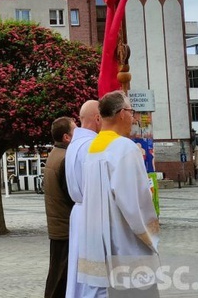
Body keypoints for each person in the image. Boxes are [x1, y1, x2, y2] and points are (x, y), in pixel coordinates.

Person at [78, 91, 160, 297]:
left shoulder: (92, 149)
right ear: (121, 113)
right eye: (131, 112)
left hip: (101, 245)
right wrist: (151, 231)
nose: (133, 118)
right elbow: (134, 203)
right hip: (126, 245)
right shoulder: (124, 148)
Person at [65, 100, 102, 298]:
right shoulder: (92, 145)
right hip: (92, 213)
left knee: (79, 269)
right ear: (97, 118)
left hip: (80, 211)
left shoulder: (74, 144)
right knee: (93, 274)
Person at [43, 117, 76, 298]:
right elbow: (72, 196)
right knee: (60, 280)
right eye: (75, 129)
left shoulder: (55, 154)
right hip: (65, 227)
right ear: (66, 137)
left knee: (57, 276)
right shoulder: (65, 159)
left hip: (58, 226)